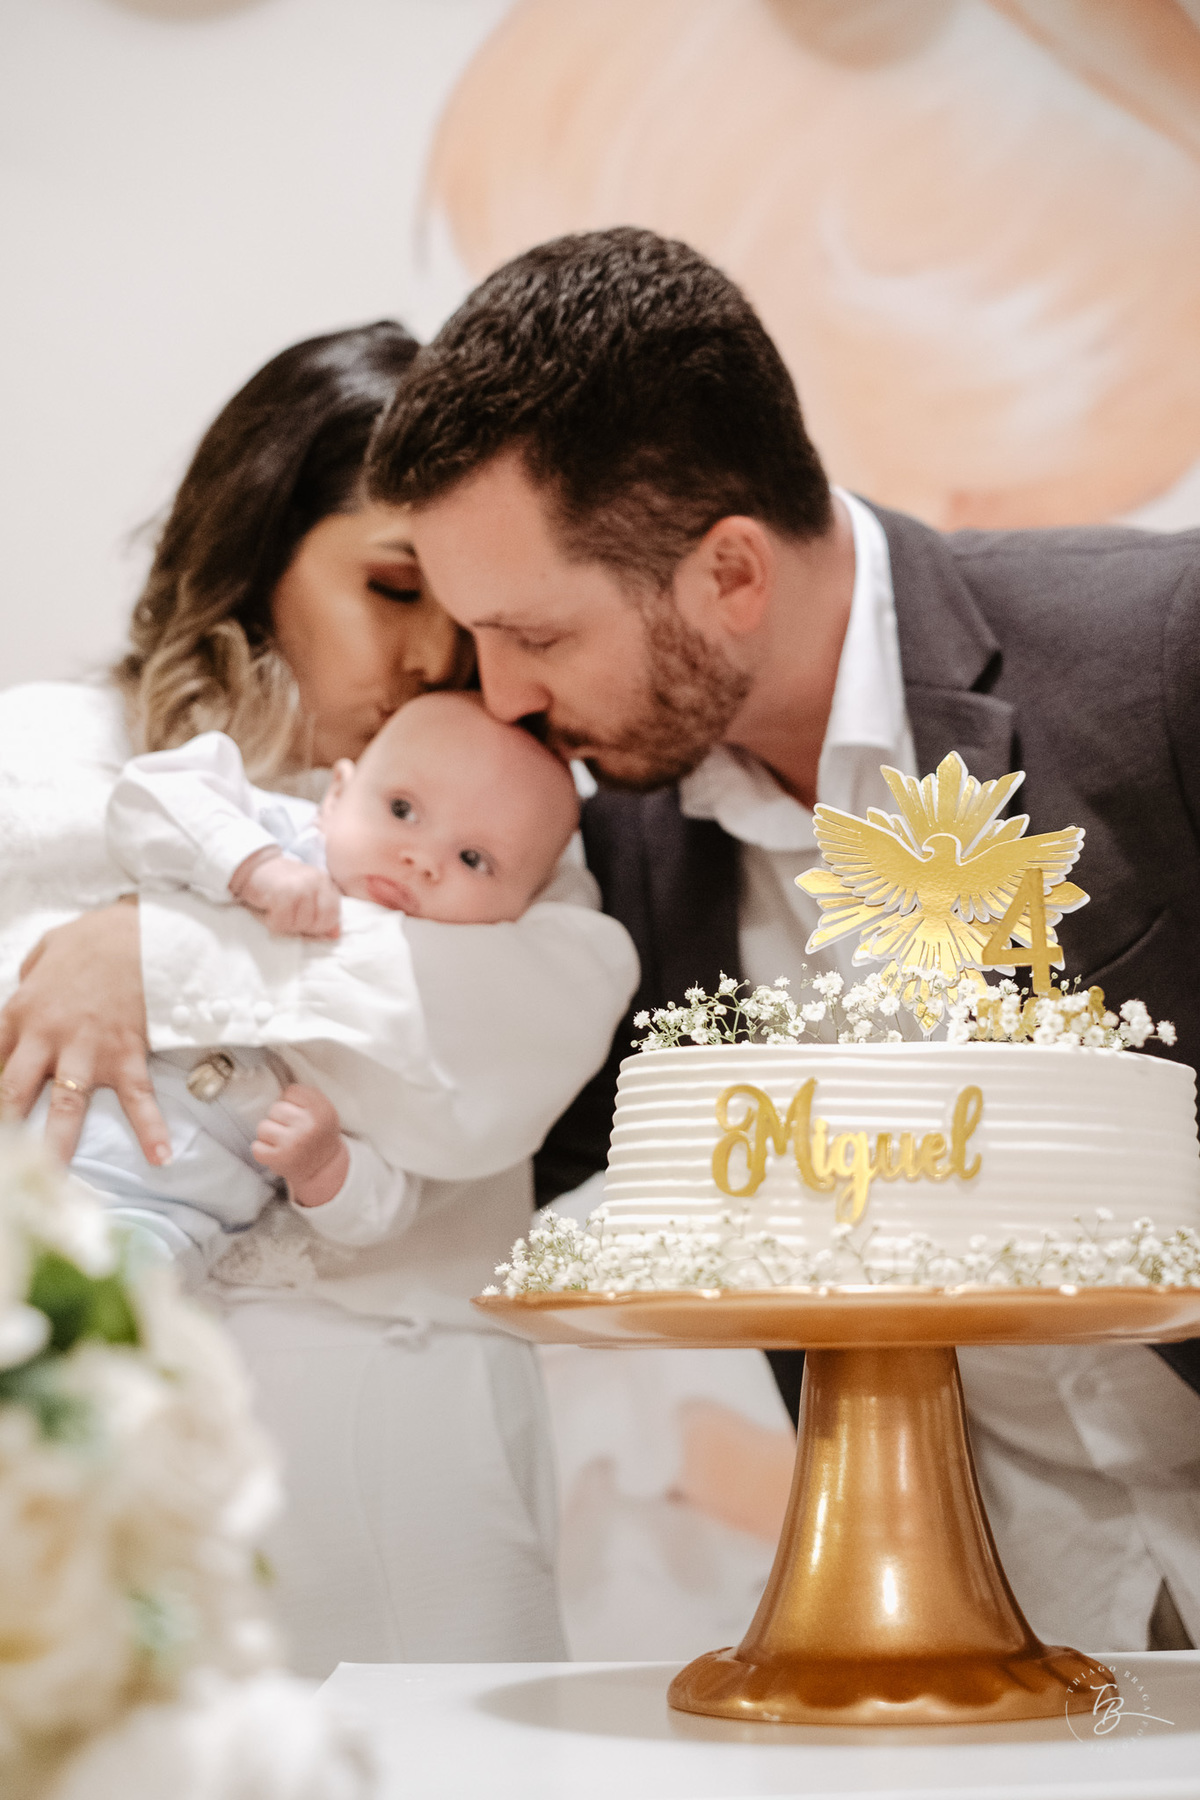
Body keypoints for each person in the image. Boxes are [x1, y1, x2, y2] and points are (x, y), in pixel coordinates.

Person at [361, 227, 1200, 1655]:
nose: (500, 695)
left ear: (731, 572)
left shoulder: (1159, 652)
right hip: (963, 1631)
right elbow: (463, 1126)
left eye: (539, 636)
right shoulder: (610, 841)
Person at [0, 321, 639, 1675]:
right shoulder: (47, 759)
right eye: (392, 589)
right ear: (257, 548)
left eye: (470, 624)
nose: (430, 659)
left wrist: (149, 956)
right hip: (79, 1440)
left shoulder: (517, 829)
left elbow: (495, 1057)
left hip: (405, 1438)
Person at [33, 693, 581, 1276]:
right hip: (51, 1110)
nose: (421, 858)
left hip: (172, 1212)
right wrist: (254, 867)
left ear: (520, 910)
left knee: (93, 1331)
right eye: (403, 809)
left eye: (474, 858)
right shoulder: (283, 838)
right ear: (337, 793)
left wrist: (325, 1166)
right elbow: (151, 797)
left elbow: (388, 1201)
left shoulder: (430, 1010)